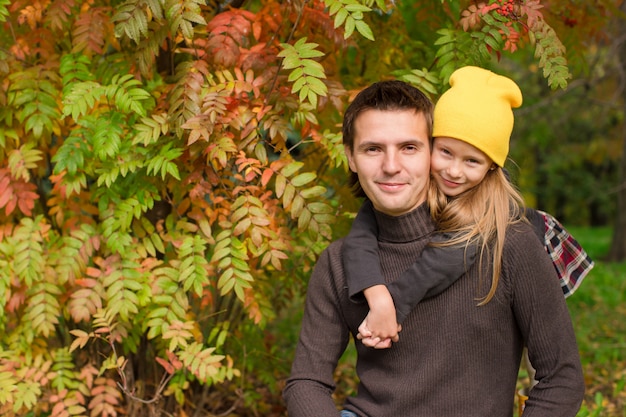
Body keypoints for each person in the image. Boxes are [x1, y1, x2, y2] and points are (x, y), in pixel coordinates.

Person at [282, 71, 585, 416]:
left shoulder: (507, 243)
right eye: (372, 149)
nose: (391, 166)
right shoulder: (339, 262)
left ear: (430, 151)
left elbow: (561, 379)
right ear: (351, 157)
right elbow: (306, 383)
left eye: (408, 148)